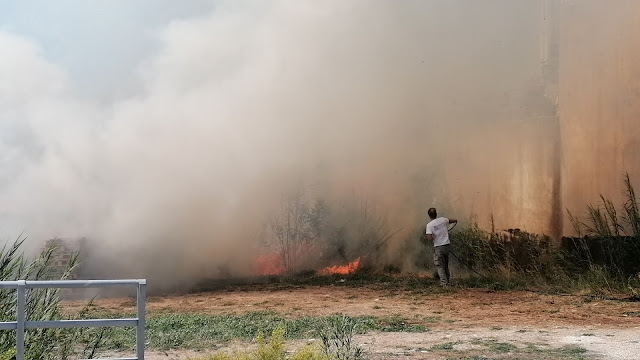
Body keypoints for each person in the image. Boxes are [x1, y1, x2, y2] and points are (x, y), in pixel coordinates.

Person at [425, 208, 457, 286]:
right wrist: (447, 229)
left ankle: (444, 283)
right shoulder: (443, 220)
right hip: (447, 245)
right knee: (445, 265)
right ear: (436, 213)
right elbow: (455, 220)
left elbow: (429, 238)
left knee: (440, 266)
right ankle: (447, 281)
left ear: (429, 215)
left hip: (438, 247)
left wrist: (433, 237)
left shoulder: (429, 225)